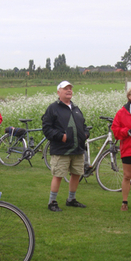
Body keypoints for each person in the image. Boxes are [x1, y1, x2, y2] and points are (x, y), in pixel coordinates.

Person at [41, 81, 89, 212]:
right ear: (58, 92)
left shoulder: (75, 108)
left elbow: (83, 124)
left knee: (76, 174)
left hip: (77, 149)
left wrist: (85, 134)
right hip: (61, 150)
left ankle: (71, 199)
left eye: (70, 89)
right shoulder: (53, 108)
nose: (69, 91)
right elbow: (46, 128)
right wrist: (60, 136)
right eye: (65, 89)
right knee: (58, 175)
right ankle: (52, 202)